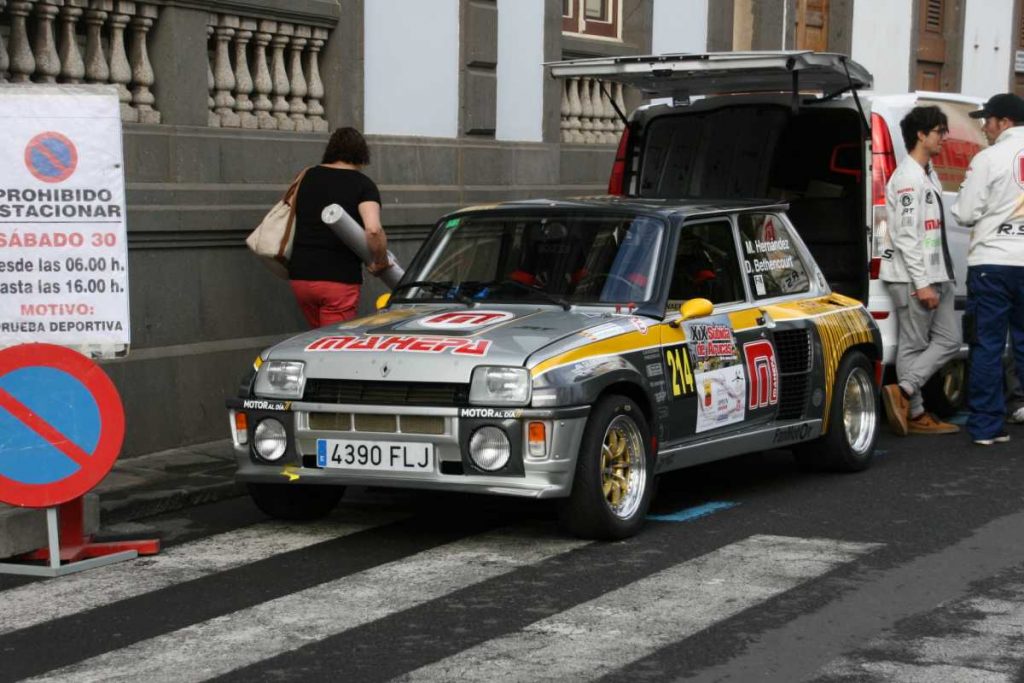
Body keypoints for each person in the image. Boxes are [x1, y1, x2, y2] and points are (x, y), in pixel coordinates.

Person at [879, 106, 961, 436]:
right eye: (939, 131)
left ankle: (905, 390)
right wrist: (922, 283)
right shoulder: (908, 179)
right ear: (921, 135)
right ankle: (914, 413)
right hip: (915, 278)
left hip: (936, 274)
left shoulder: (927, 173)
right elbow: (905, 236)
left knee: (950, 340)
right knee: (912, 345)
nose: (944, 137)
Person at [951, 93, 1024, 446]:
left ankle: (987, 426)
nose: (984, 127)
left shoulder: (989, 158)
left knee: (987, 345)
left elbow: (965, 213)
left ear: (1004, 122)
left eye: (988, 120)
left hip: (992, 263)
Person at [288, 127, 390, 328]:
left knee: (317, 336)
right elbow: (373, 230)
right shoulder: (363, 185)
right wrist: (381, 261)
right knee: (334, 340)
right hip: (338, 280)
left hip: (301, 276)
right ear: (362, 154)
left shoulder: (306, 176)